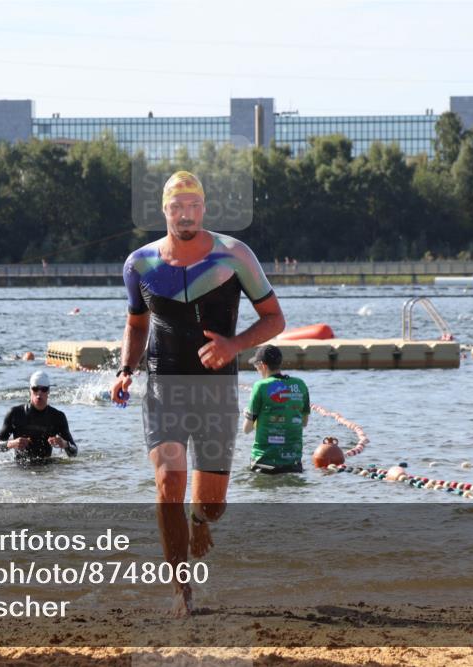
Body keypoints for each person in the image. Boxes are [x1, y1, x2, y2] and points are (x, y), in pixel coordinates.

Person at [110, 170, 285, 615]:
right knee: (169, 481)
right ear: (164, 211)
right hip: (163, 385)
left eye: (193, 206)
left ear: (203, 209)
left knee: (213, 503)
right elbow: (136, 323)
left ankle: (199, 519)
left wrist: (234, 344)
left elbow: (273, 319)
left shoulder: (235, 256)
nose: (185, 214)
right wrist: (125, 369)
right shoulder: (140, 264)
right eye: (176, 207)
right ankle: (180, 591)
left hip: (215, 391)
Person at [243, 345, 310, 474]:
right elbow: (304, 423)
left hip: (263, 462)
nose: (256, 369)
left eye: (255, 366)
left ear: (262, 365)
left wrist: (248, 415)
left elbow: (246, 429)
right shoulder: (300, 384)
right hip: (293, 463)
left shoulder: (260, 386)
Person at [0, 371, 77, 464]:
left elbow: (74, 452)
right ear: (30, 390)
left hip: (47, 469)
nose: (39, 394)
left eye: (44, 389)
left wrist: (65, 444)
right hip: (20, 469)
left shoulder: (57, 417)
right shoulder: (15, 413)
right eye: (35, 389)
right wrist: (11, 443)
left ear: (49, 391)